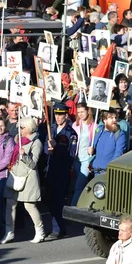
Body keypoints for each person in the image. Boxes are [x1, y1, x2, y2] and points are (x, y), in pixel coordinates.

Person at [0, 117, 45, 244]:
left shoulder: (36, 143)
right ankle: (9, 232)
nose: (19, 130)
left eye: (22, 127)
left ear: (29, 128)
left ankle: (40, 231)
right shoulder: (18, 140)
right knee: (10, 204)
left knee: (30, 206)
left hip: (28, 178)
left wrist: (24, 155)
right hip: (15, 176)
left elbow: (33, 163)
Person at [44, 103, 77, 240]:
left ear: (66, 115)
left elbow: (71, 155)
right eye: (56, 114)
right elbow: (46, 147)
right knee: (50, 200)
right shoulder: (51, 129)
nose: (58, 117)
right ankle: (61, 228)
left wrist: (57, 148)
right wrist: (49, 150)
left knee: (57, 201)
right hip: (51, 169)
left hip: (62, 171)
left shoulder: (70, 133)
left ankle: (57, 229)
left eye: (61, 114)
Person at [89, 109, 127, 174]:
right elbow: (92, 145)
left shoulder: (119, 134)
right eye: (111, 118)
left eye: (115, 118)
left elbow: (119, 153)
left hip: (109, 172)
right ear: (104, 120)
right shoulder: (98, 130)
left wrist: (109, 167)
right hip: (95, 170)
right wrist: (90, 157)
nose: (114, 120)